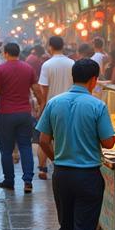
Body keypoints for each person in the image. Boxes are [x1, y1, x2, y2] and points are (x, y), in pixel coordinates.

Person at [37, 58, 115, 230]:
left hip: (62, 174)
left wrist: (56, 160)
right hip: (88, 176)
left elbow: (42, 140)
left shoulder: (54, 103)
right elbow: (109, 143)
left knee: (66, 229)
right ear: (93, 80)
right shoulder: (97, 106)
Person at [0, 42, 40, 192]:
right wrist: (41, 105)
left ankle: (9, 180)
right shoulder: (28, 68)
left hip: (6, 114)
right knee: (25, 146)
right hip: (24, 113)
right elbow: (36, 89)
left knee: (6, 149)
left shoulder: (0, 69)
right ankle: (28, 181)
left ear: (5, 53)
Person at [37, 35, 74, 179]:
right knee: (66, 138)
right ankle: (66, 164)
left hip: (51, 107)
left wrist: (41, 108)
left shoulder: (47, 65)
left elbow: (43, 90)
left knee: (44, 138)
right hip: (70, 107)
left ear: (50, 47)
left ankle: (42, 168)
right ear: (63, 46)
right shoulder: (72, 63)